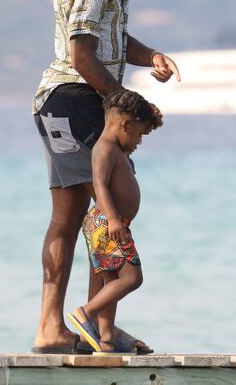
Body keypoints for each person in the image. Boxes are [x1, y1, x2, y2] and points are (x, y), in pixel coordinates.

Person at [32, 0, 180, 354]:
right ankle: (61, 328)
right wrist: (124, 102)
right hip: (70, 101)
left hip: (92, 100)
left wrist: (148, 55)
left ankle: (98, 324)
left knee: (98, 211)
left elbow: (112, 39)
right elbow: (81, 56)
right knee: (80, 214)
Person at [68, 89, 161, 354]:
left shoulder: (115, 147)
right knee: (132, 278)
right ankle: (86, 312)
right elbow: (99, 185)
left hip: (106, 224)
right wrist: (113, 219)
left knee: (112, 282)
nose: (139, 141)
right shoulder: (105, 148)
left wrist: (151, 118)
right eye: (139, 134)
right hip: (107, 223)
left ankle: (106, 338)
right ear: (125, 124)